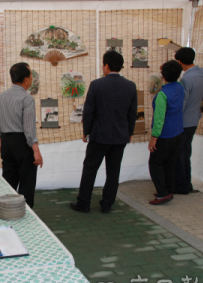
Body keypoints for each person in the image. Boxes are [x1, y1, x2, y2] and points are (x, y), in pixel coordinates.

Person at [70, 51, 137, 214]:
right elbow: (132, 112)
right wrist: (129, 132)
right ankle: (107, 204)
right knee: (114, 171)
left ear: (106, 66)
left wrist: (86, 131)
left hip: (99, 135)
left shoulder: (97, 85)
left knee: (90, 169)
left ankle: (84, 203)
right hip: (120, 136)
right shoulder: (130, 86)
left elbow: (89, 111)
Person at [0, 62, 43, 208]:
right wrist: (36, 150)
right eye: (30, 75)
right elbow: (29, 129)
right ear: (26, 79)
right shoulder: (27, 99)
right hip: (22, 143)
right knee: (27, 183)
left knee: (9, 180)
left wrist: (2, 141)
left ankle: (6, 210)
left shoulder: (2, 97)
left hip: (6, 142)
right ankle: (26, 215)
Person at [148, 60, 184, 205]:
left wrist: (154, 137)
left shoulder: (162, 94)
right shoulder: (180, 87)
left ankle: (162, 193)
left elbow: (159, 119)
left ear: (163, 75)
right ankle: (169, 190)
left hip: (165, 134)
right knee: (170, 162)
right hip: (178, 131)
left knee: (155, 162)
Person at [174, 47, 203, 194]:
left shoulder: (186, 79)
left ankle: (181, 186)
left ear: (180, 62)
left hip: (184, 121)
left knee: (179, 155)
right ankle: (187, 184)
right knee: (186, 153)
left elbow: (182, 103)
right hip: (194, 119)